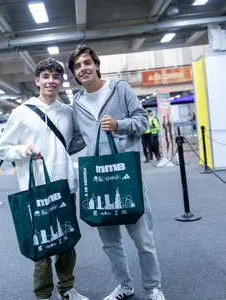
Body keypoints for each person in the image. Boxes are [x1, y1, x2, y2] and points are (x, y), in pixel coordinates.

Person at [68, 46, 166, 300]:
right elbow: (78, 139)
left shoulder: (119, 88)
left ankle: (153, 287)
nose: (83, 68)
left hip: (126, 176)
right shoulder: (77, 102)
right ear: (74, 74)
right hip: (98, 181)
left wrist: (119, 125)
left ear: (97, 65)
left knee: (143, 239)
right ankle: (125, 285)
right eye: (78, 66)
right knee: (110, 243)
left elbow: (142, 121)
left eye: (87, 62)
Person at [0, 58, 89, 300]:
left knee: (67, 242)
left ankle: (67, 289)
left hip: (65, 186)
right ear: (37, 81)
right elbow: (1, 149)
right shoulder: (21, 113)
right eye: (46, 77)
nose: (51, 81)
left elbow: (74, 142)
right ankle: (43, 294)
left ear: (61, 81)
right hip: (36, 188)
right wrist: (22, 151)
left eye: (56, 77)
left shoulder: (68, 112)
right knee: (42, 246)